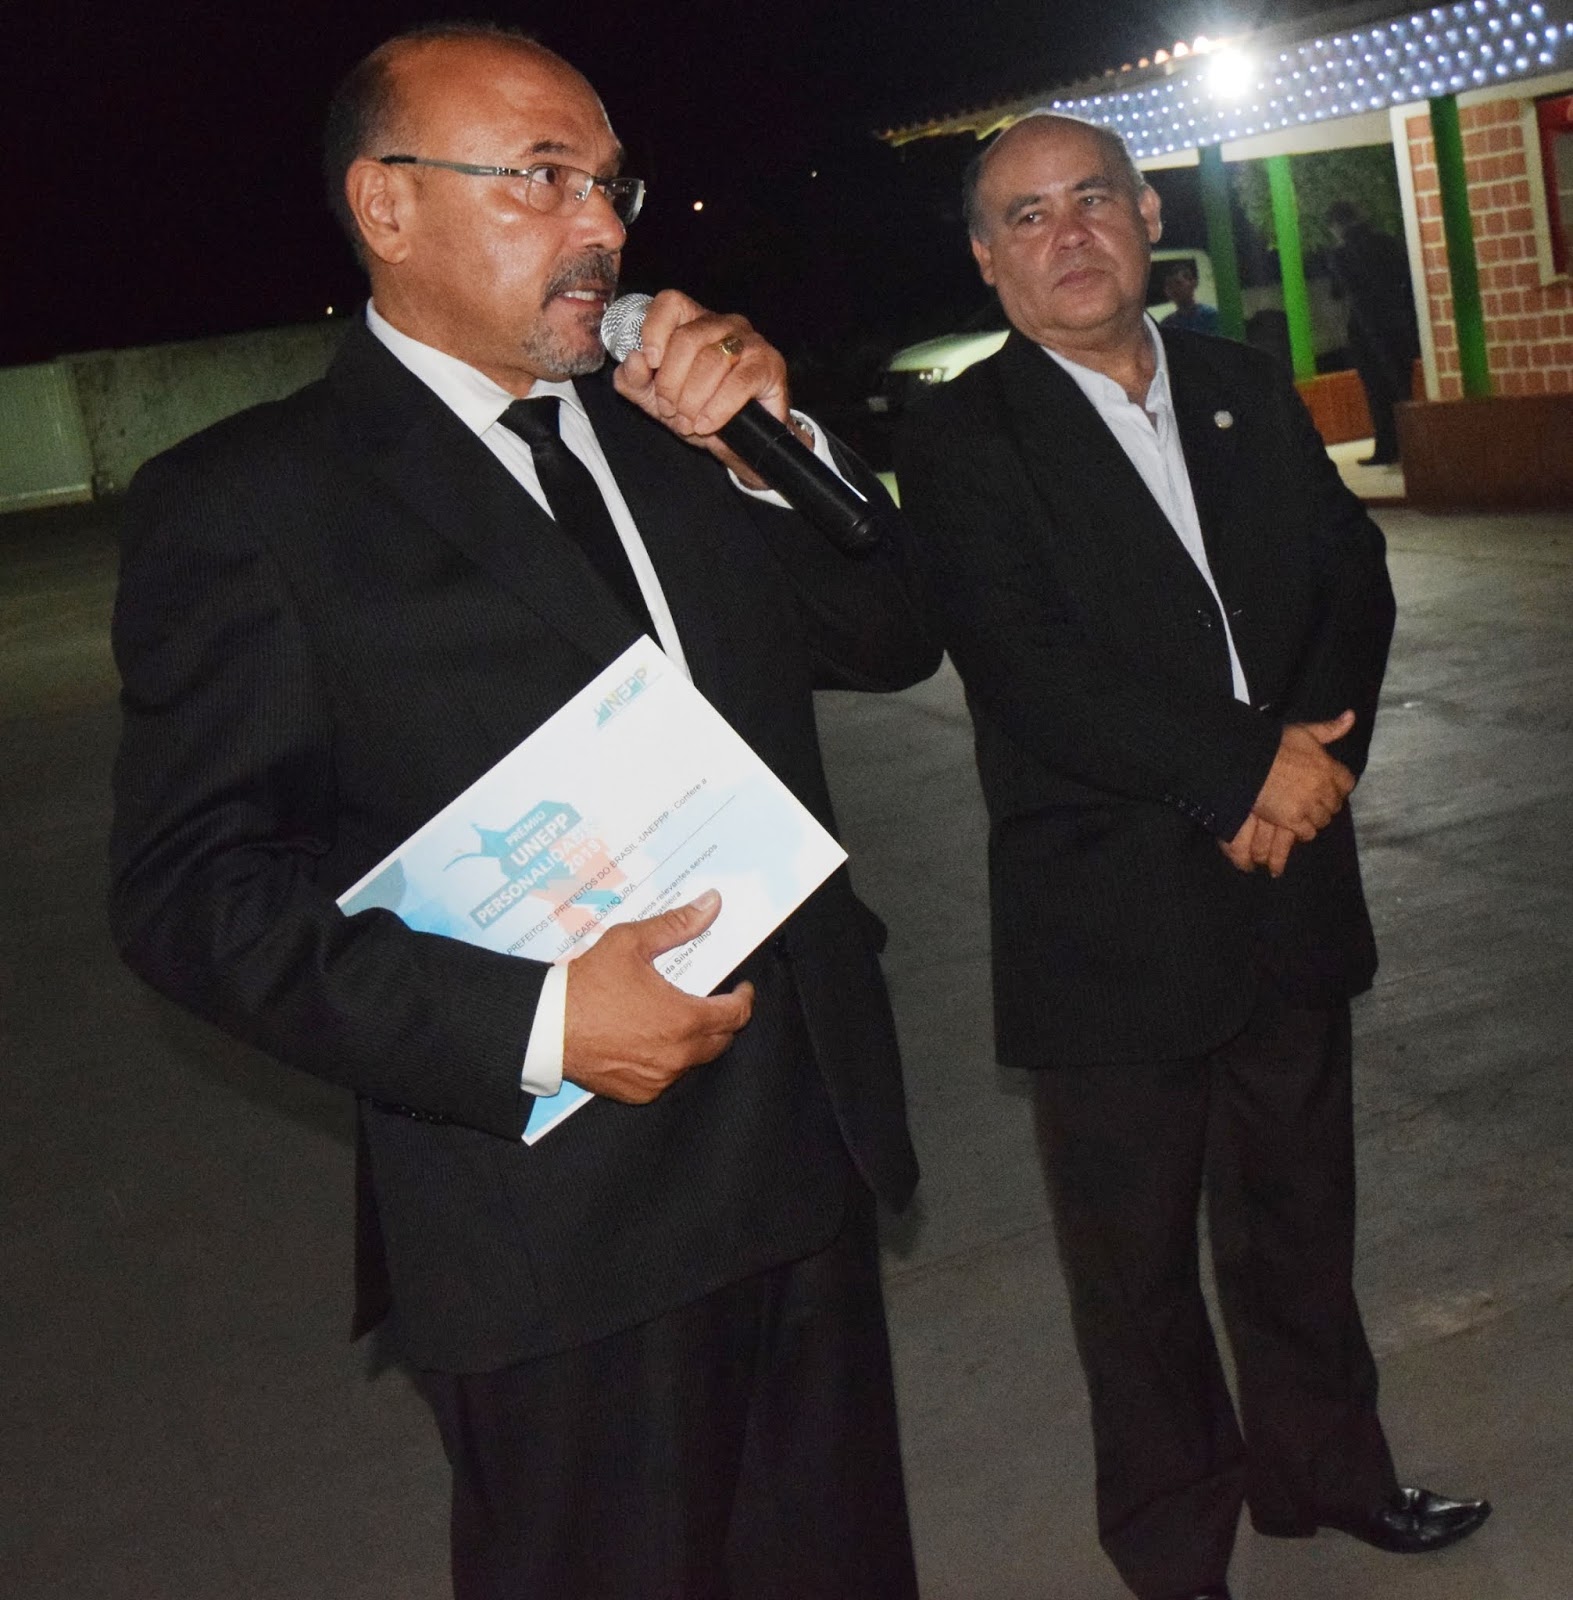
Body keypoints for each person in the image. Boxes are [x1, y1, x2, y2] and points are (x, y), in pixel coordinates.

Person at [109, 24, 939, 1599]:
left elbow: (892, 636)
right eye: (543, 178)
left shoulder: (673, 426)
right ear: (388, 205)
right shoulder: (253, 504)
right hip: (551, 1220)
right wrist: (543, 1023)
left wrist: (776, 454)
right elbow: (190, 893)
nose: (600, 224)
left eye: (610, 183)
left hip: (802, 1136)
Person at [896, 112, 1488, 1600]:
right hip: (1109, 918)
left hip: (1288, 883)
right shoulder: (963, 438)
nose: (1068, 234)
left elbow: (1350, 576)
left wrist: (1312, 772)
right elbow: (1025, 664)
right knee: (1134, 1271)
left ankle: (1328, 1477)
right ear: (984, 259)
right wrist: (1241, 772)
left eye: (1091, 197)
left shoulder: (1237, 383)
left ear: (1146, 214)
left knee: (1301, 1224)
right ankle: (1174, 1554)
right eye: (1026, 216)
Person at [1326, 198, 1421, 466]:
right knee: (1402, 388)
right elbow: (1405, 276)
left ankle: (1386, 448)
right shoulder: (1386, 243)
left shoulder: (1340, 255)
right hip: (1397, 325)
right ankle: (1414, 446)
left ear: (1335, 226)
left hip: (1365, 330)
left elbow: (1338, 292)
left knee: (1377, 392)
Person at [1159, 259, 1221, 335]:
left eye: (1178, 283)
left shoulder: (1210, 316)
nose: (1174, 289)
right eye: (1169, 285)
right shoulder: (1167, 324)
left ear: (1193, 283)